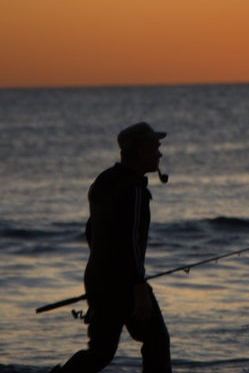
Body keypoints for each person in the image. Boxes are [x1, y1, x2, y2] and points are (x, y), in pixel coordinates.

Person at [51, 122, 172, 373]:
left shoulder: (104, 180)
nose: (159, 154)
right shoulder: (135, 188)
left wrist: (102, 267)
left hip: (98, 278)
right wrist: (138, 284)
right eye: (154, 147)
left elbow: (92, 230)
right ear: (139, 151)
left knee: (100, 353)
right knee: (157, 340)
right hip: (125, 284)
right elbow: (130, 241)